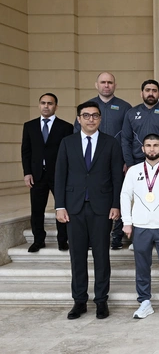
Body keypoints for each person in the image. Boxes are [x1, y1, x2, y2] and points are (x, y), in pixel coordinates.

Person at [54, 101, 124, 320]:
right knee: (77, 256)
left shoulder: (111, 143)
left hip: (101, 208)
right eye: (86, 115)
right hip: (74, 208)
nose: (91, 119)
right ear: (79, 119)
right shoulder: (67, 143)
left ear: (100, 119)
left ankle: (101, 300)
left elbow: (117, 177)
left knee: (102, 255)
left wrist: (116, 204)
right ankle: (79, 301)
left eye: (95, 115)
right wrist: (59, 206)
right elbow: (60, 175)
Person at [120, 134, 159, 319]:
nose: (152, 149)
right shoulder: (134, 171)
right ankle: (144, 302)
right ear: (143, 149)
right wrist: (127, 222)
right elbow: (125, 195)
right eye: (148, 145)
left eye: (156, 145)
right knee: (142, 266)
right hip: (141, 226)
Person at [73, 72, 131, 250]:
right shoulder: (87, 107)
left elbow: (127, 137)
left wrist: (126, 160)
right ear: (96, 85)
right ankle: (92, 237)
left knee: (118, 196)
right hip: (91, 163)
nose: (106, 85)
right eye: (103, 82)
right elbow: (77, 136)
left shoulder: (125, 107)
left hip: (117, 161)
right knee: (93, 198)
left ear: (115, 85)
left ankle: (117, 235)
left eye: (110, 82)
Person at [21, 93, 73, 252]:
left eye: (50, 103)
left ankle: (63, 240)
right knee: (37, 209)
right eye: (43, 103)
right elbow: (26, 151)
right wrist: (27, 172)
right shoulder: (29, 126)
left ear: (56, 106)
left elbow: (69, 153)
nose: (46, 106)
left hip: (59, 174)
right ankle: (38, 240)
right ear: (39, 105)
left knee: (61, 207)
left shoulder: (65, 127)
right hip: (37, 175)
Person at [122, 79, 159, 167]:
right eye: (147, 90)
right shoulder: (131, 113)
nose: (151, 93)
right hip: (137, 163)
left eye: (154, 91)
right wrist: (129, 163)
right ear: (141, 93)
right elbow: (126, 140)